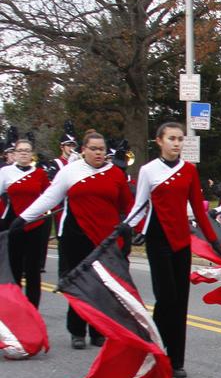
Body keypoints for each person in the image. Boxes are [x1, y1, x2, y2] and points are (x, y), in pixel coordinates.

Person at [124, 122, 221, 378]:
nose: (176, 143)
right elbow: (140, 205)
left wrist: (217, 242)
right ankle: (158, 353)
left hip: (181, 240)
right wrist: (127, 228)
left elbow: (198, 208)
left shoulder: (189, 171)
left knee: (180, 299)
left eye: (180, 139)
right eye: (171, 138)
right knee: (166, 298)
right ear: (159, 141)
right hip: (157, 238)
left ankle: (176, 359)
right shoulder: (149, 170)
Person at [16, 131, 132, 348]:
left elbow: (128, 205)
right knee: (78, 283)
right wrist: (23, 219)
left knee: (102, 286)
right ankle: (77, 330)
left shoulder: (115, 174)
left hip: (106, 239)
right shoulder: (70, 172)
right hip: (76, 235)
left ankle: (99, 330)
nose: (98, 153)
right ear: (83, 150)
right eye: (93, 148)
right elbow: (49, 198)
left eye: (102, 149)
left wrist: (129, 228)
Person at [0, 137, 50, 307]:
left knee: (33, 270)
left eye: (27, 151)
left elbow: (49, 196)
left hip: (35, 226)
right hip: (13, 225)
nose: (23, 154)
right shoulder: (6, 172)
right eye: (20, 151)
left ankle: (32, 307)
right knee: (14, 267)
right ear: (14, 153)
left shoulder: (40, 174)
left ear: (32, 154)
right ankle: (15, 305)